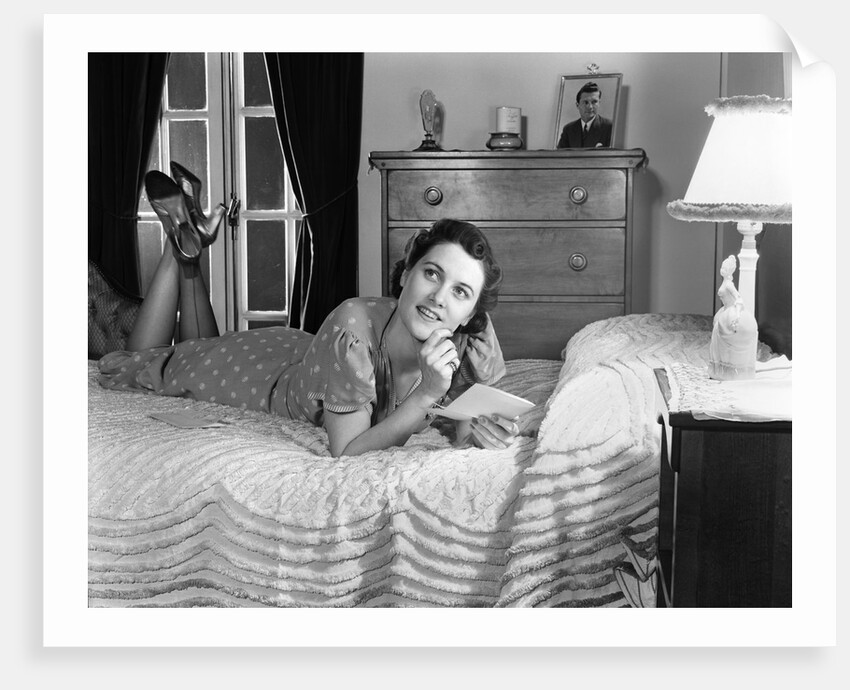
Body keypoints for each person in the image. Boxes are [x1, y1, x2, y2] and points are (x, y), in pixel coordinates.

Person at [98, 163, 520, 457]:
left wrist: (482, 435)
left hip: (311, 354)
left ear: (470, 314)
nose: (440, 297)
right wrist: (427, 392)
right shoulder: (354, 327)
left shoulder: (475, 340)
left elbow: (465, 419)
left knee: (200, 345)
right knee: (154, 363)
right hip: (268, 378)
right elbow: (348, 452)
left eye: (461, 292)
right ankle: (178, 251)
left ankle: (185, 247)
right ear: (407, 272)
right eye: (432, 274)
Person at [708, 255, 758, 380]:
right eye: (722, 267)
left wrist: (736, 313)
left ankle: (729, 368)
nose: (722, 270)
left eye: (725, 268)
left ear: (730, 270)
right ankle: (718, 367)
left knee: (723, 336)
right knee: (716, 337)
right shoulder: (725, 282)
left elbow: (738, 298)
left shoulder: (729, 284)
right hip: (723, 310)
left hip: (730, 310)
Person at [557, 81, 613, 149]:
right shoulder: (568, 130)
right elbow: (560, 157)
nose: (590, 107)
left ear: (599, 103)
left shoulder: (609, 127)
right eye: (586, 102)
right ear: (577, 105)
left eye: (594, 102)